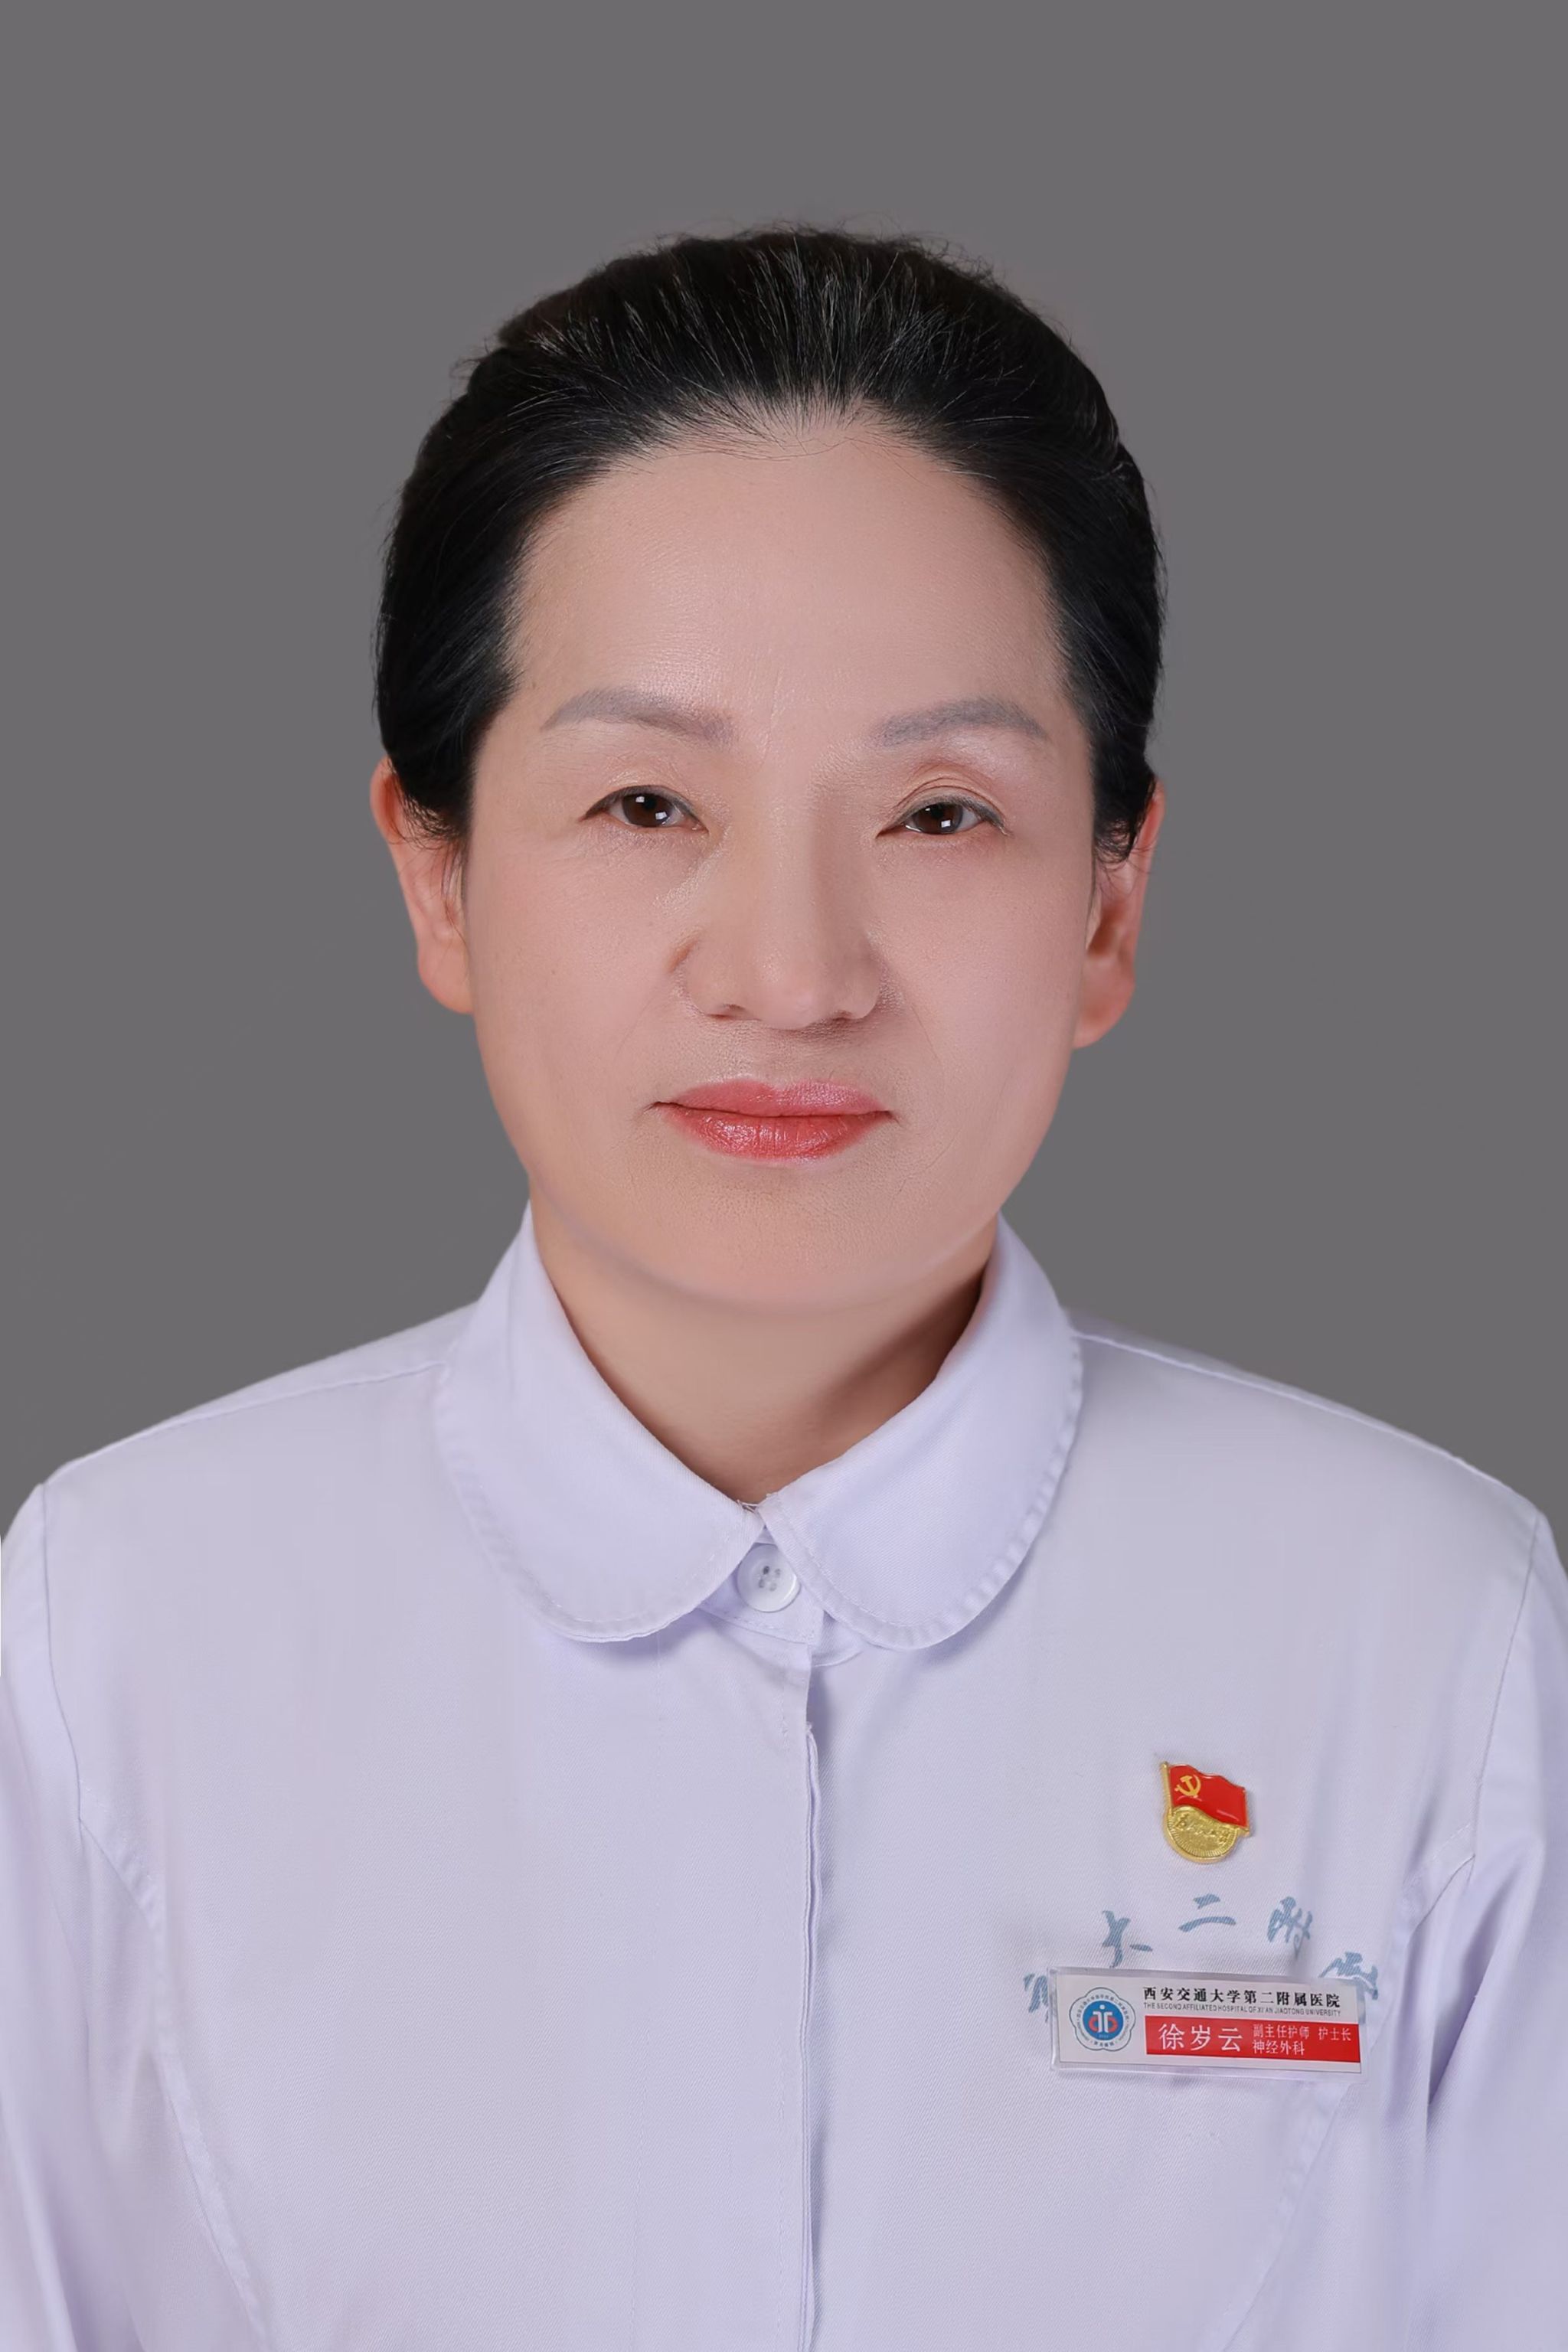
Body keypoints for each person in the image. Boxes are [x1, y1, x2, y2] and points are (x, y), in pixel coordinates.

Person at [1, 224, 1563, 2351]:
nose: (795, 972)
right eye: (648, 800)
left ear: (1111, 907)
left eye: (940, 814)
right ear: (438, 874)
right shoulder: (117, 1630)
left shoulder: (1432, 1635)